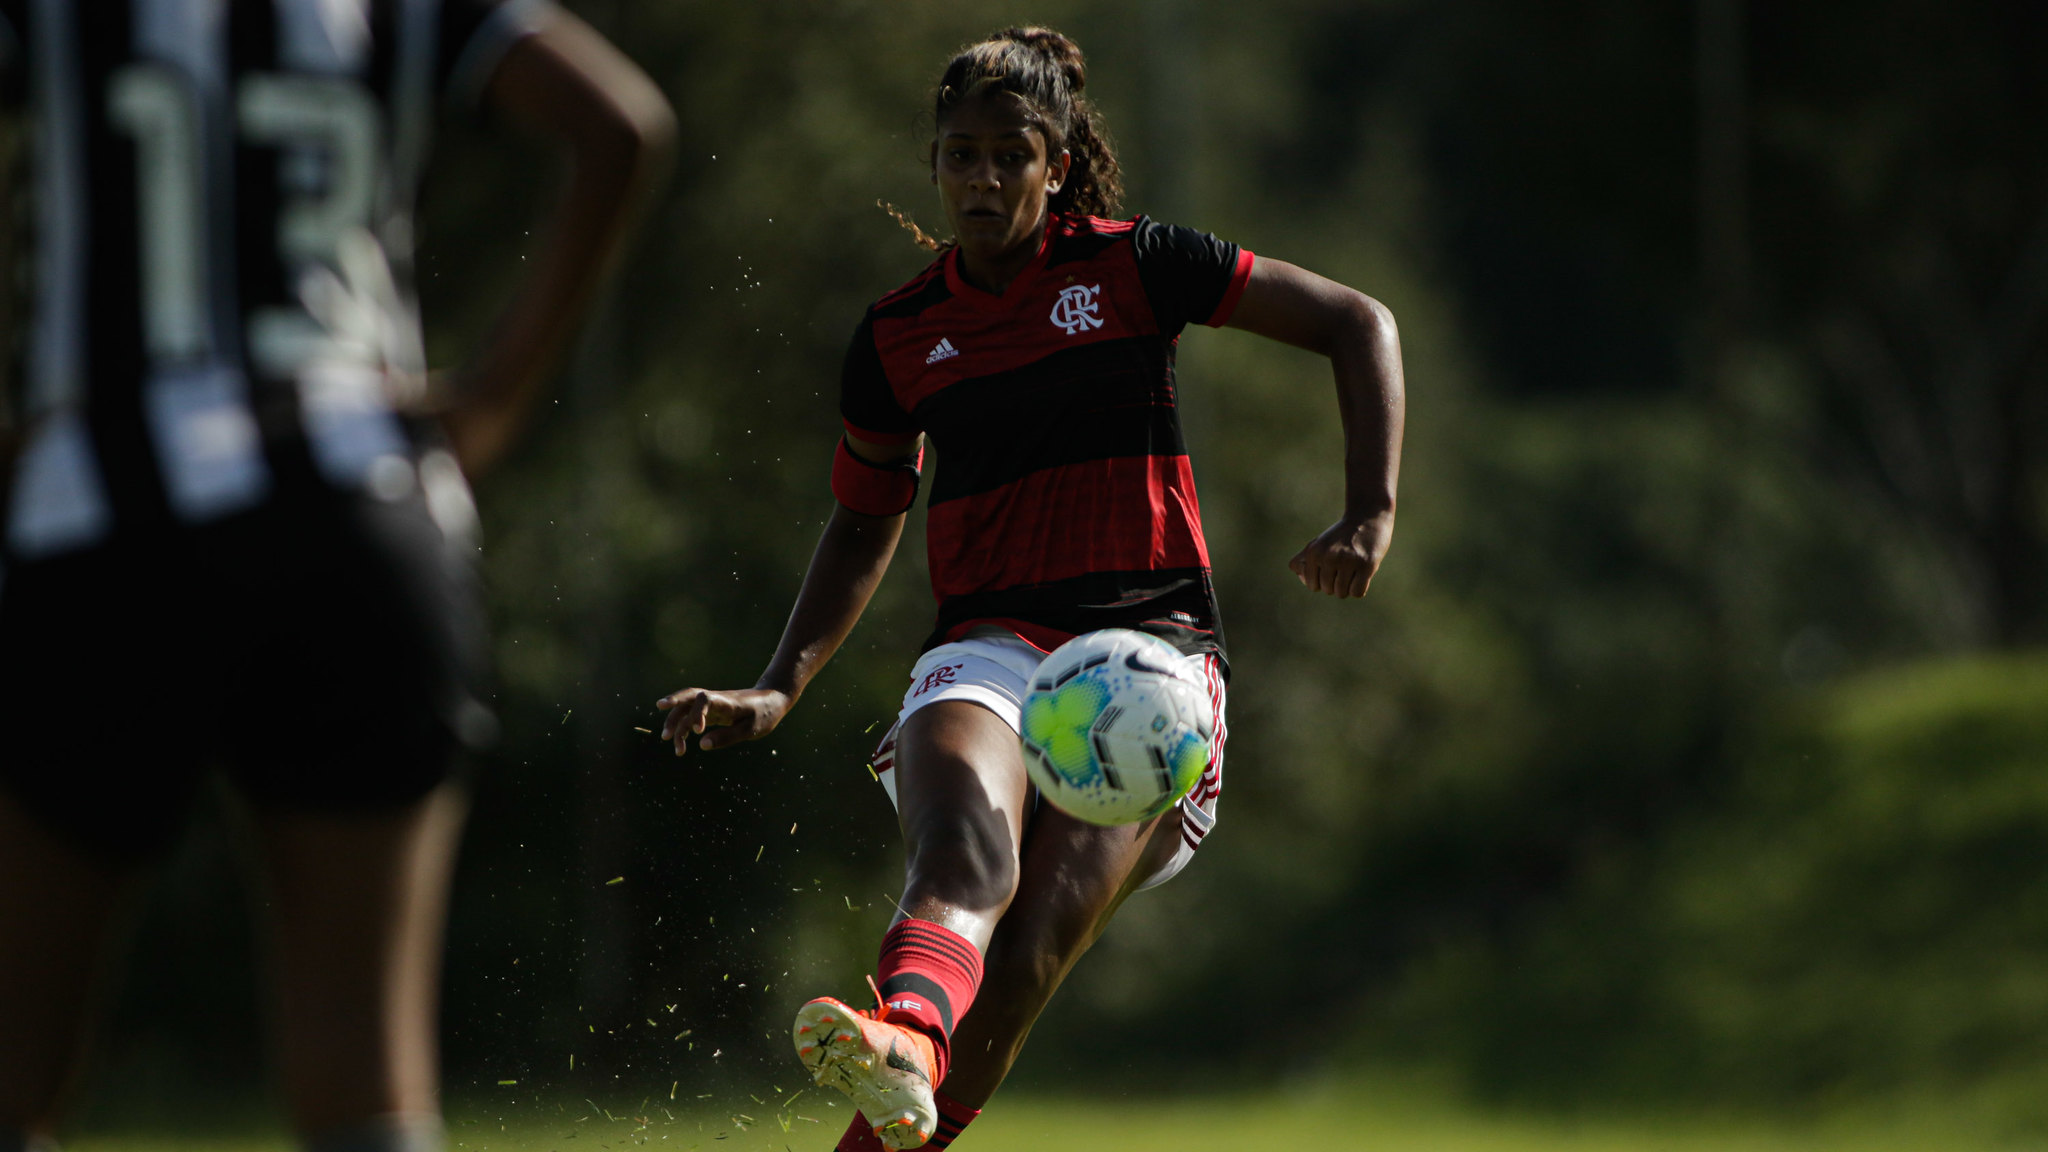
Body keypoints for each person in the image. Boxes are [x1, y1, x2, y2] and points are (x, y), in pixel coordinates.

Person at [654, 26, 1402, 1151]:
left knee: (1018, 972)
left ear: (1057, 162)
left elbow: (1357, 321)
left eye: (1011, 154)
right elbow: (865, 520)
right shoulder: (899, 335)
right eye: (961, 154)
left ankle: (912, 1062)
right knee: (960, 850)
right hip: (991, 645)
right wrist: (778, 685)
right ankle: (904, 1024)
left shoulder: (1135, 265)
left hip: (1152, 661)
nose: (984, 178)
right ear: (936, 165)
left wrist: (1369, 509)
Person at [0, 3, 673, 1151]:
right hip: (364, 513)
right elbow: (622, 123)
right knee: (365, 1071)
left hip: (109, 522)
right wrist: (495, 395)